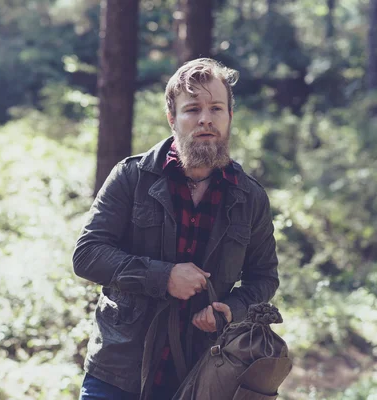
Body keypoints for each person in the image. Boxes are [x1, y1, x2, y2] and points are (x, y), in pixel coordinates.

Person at [73, 58, 280, 400]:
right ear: (172, 118)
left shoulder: (250, 197)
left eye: (216, 108)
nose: (205, 119)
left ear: (229, 117)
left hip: (206, 372)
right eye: (192, 109)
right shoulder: (131, 177)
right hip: (120, 369)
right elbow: (87, 254)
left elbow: (264, 278)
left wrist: (230, 309)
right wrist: (163, 276)